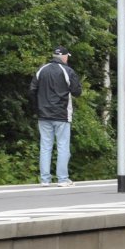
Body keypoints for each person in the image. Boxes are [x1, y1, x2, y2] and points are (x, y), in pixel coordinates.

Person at [30, 46, 83, 186]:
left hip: (43, 114)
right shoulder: (67, 71)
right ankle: (62, 179)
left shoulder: (42, 70)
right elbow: (77, 91)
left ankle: (45, 179)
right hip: (62, 114)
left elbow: (32, 90)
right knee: (62, 146)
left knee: (45, 146)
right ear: (65, 57)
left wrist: (37, 108)